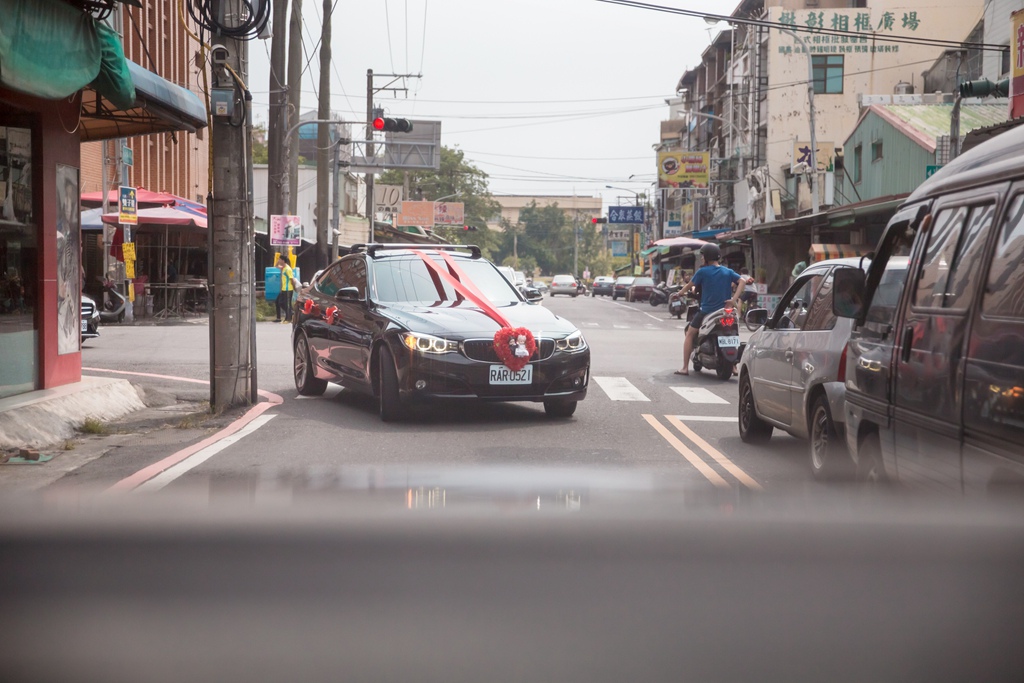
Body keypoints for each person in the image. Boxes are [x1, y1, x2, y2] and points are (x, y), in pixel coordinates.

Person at [674, 243, 743, 376]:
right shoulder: (727, 271)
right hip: (726, 311)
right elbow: (743, 281)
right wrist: (733, 300)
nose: (701, 258)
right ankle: (734, 367)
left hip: (707, 311)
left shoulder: (702, 272)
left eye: (702, 256)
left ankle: (684, 368)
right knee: (732, 334)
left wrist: (680, 293)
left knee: (690, 333)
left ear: (707, 257)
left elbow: (690, 285)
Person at [274, 254, 300, 323]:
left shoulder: (288, 269)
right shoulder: (283, 268)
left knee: (287, 304)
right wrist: (277, 259)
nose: (279, 261)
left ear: (283, 260)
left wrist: (294, 288)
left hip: (288, 289)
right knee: (278, 302)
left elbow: (292, 279)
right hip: (283, 289)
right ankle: (288, 314)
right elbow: (276, 266)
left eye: (280, 259)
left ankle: (288, 318)